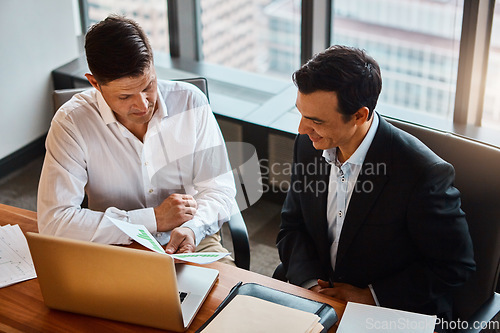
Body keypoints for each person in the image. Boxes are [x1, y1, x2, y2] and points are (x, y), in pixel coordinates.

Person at [276, 45, 475, 325]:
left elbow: (454, 266)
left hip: (390, 311)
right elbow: (292, 226)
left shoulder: (422, 173)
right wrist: (312, 286)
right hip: (317, 297)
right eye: (301, 113)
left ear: (359, 115)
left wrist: (371, 297)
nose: (301, 129)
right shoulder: (308, 145)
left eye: (315, 121)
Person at [38, 15, 236, 260]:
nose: (143, 105)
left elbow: (220, 190)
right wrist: (153, 219)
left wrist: (193, 228)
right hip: (115, 246)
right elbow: (55, 221)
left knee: (230, 296)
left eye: (148, 86)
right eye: (125, 97)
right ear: (94, 84)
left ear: (153, 64)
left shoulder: (190, 102)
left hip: (192, 237)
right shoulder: (71, 122)